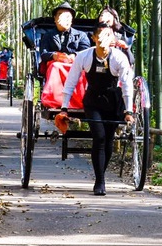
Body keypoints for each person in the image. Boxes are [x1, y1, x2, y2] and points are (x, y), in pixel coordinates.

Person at [55, 22, 134, 196]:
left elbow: (127, 85)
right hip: (93, 101)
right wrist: (64, 108)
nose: (104, 40)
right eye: (100, 36)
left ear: (112, 39)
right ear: (94, 38)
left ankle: (101, 176)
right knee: (99, 137)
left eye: (108, 36)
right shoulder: (83, 57)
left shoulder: (119, 58)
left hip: (114, 101)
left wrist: (128, 111)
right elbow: (70, 82)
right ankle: (100, 181)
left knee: (109, 139)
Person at [38, 1, 91, 76]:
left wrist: (74, 56)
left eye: (67, 16)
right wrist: (54, 55)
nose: (63, 18)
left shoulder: (81, 35)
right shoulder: (48, 35)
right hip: (55, 65)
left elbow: (86, 52)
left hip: (75, 64)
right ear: (55, 19)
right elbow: (43, 53)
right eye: (60, 14)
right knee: (55, 67)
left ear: (71, 20)